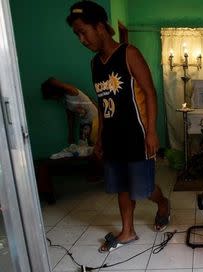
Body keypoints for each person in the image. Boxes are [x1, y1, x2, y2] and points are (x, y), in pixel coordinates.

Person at [66, 1, 170, 252]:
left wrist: (152, 132)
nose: (81, 39)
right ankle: (128, 231)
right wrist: (100, 138)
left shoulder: (128, 54)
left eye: (84, 31)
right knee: (122, 186)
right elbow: (103, 104)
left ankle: (163, 203)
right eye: (77, 34)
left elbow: (150, 92)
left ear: (100, 27)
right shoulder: (95, 64)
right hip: (112, 137)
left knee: (142, 187)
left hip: (137, 135)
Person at [41, 77, 98, 145]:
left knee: (94, 145)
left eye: (52, 97)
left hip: (95, 120)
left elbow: (54, 82)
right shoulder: (66, 100)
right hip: (85, 123)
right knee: (84, 146)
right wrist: (70, 135)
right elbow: (70, 118)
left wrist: (50, 85)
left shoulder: (71, 91)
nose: (53, 99)